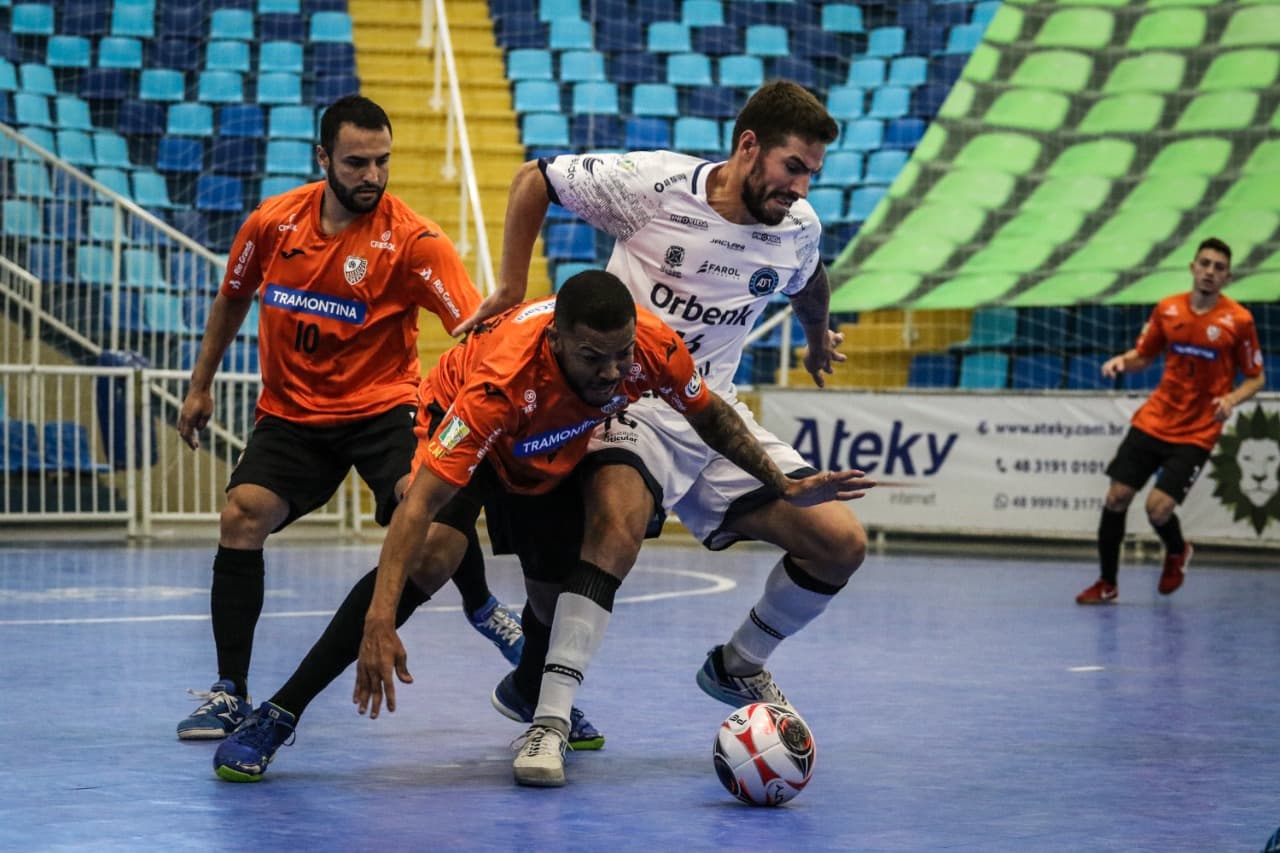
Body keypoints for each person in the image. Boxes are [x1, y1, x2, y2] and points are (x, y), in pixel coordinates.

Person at [208, 271, 872, 782]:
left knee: (560, 599)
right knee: (432, 554)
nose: (612, 372)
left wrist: (780, 481)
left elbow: (713, 418)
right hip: (473, 437)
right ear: (556, 341)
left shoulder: (647, 345)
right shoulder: (500, 379)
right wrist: (381, 620)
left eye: (620, 356)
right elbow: (415, 510)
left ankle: (529, 686)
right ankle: (280, 711)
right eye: (593, 359)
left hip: (548, 451)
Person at [455, 80, 870, 787]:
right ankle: (550, 720)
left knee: (840, 543)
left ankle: (736, 664)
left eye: (811, 175)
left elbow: (810, 276)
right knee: (615, 524)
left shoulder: (798, 225)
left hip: (714, 414)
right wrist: (510, 287)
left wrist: (816, 334)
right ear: (749, 147)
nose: (802, 188)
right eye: (793, 168)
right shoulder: (654, 186)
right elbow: (535, 178)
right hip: (631, 401)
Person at [174, 95, 525, 740]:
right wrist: (201, 388)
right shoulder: (271, 225)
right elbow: (231, 300)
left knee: (428, 506)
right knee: (240, 516)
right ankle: (229, 692)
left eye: (382, 161)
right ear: (323, 159)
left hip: (382, 406)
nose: (372, 176)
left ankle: (482, 607)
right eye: (356, 162)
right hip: (291, 413)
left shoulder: (416, 243)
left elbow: (481, 331)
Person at [1076, 237, 1264, 605]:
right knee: (1117, 497)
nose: (1210, 272)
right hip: (1156, 418)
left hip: (1198, 430)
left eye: (1219, 267)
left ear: (1227, 277)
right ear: (1192, 267)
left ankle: (1177, 550)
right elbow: (1144, 356)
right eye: (1205, 264)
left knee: (1157, 508)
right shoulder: (1168, 309)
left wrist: (1231, 398)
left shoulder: (1239, 320)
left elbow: (1256, 377)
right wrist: (1122, 362)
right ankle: (1107, 583)